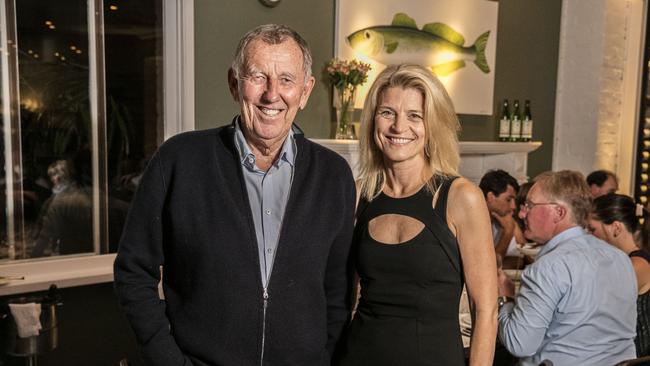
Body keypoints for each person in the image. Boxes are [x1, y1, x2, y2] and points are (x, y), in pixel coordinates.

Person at [113, 24, 356, 365]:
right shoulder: (179, 160)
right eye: (258, 76)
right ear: (234, 83)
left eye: (286, 80)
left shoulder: (334, 175)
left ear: (305, 91)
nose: (272, 94)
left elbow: (337, 292)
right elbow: (133, 271)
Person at [336, 64, 497, 366]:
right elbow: (343, 298)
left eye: (415, 116)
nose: (399, 127)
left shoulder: (461, 197)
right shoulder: (358, 194)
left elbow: (485, 310)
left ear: (433, 125)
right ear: (373, 120)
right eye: (387, 113)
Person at [498, 170, 637, 365]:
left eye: (529, 205)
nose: (521, 214)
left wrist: (505, 298)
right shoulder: (621, 258)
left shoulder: (548, 267)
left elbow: (519, 344)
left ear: (559, 212)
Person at [589, 193, 650, 357]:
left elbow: (593, 303)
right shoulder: (620, 261)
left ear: (616, 228)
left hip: (635, 359)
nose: (587, 236)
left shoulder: (637, 265)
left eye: (592, 229)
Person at [31, 159, 93, 257]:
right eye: (51, 176)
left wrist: (34, 257)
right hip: (86, 250)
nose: (52, 179)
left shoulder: (58, 201)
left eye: (54, 175)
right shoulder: (88, 194)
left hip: (70, 250)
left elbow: (45, 234)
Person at [479, 169, 525, 267]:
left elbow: (523, 258)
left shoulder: (503, 219)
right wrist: (508, 232)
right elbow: (487, 267)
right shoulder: (474, 224)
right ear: (491, 197)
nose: (513, 206)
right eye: (508, 199)